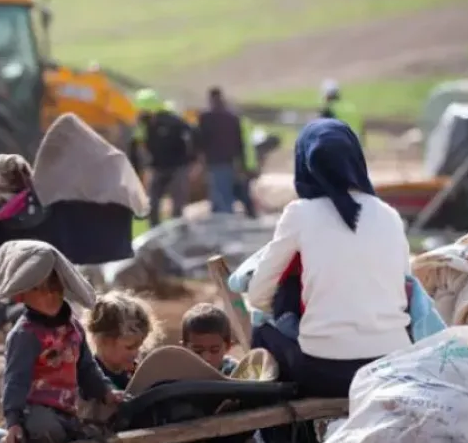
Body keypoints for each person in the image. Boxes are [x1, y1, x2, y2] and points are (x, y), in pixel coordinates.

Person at [245, 119, 412, 398]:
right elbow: (404, 289)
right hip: (392, 364)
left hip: (327, 372)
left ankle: (282, 440)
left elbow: (258, 294)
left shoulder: (300, 214)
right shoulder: (389, 215)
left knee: (261, 332)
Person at [0, 240, 123, 443]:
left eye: (54, 287)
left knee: (97, 435)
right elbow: (15, 380)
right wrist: (12, 422)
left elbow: (86, 366)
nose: (49, 295)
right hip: (36, 411)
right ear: (22, 294)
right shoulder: (26, 335)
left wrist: (106, 391)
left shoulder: (73, 327)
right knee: (47, 431)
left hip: (68, 409)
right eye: (38, 289)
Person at [129, 88, 195, 226]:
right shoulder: (144, 125)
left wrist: (190, 161)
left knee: (177, 206)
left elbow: (191, 138)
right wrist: (137, 168)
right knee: (152, 204)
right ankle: (155, 233)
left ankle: (178, 234)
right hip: (158, 167)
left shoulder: (173, 121)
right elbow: (136, 144)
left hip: (178, 167)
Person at [85, 291, 159, 390]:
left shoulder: (136, 375)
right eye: (130, 347)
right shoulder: (89, 377)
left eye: (139, 346)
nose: (136, 353)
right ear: (103, 341)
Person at [196, 87, 247, 215]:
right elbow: (239, 141)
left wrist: (201, 160)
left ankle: (222, 219)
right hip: (228, 159)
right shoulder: (232, 117)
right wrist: (240, 162)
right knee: (224, 190)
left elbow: (201, 140)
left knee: (218, 192)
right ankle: (221, 216)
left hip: (213, 159)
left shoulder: (205, 117)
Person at [181, 303, 238, 376]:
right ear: (184, 348)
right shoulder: (177, 373)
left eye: (214, 350)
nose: (206, 358)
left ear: (228, 346)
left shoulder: (236, 373)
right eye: (197, 351)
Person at [319, 80, 365, 147]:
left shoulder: (329, 108)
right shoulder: (351, 106)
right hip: (357, 143)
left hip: (341, 143)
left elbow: (320, 129)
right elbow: (361, 127)